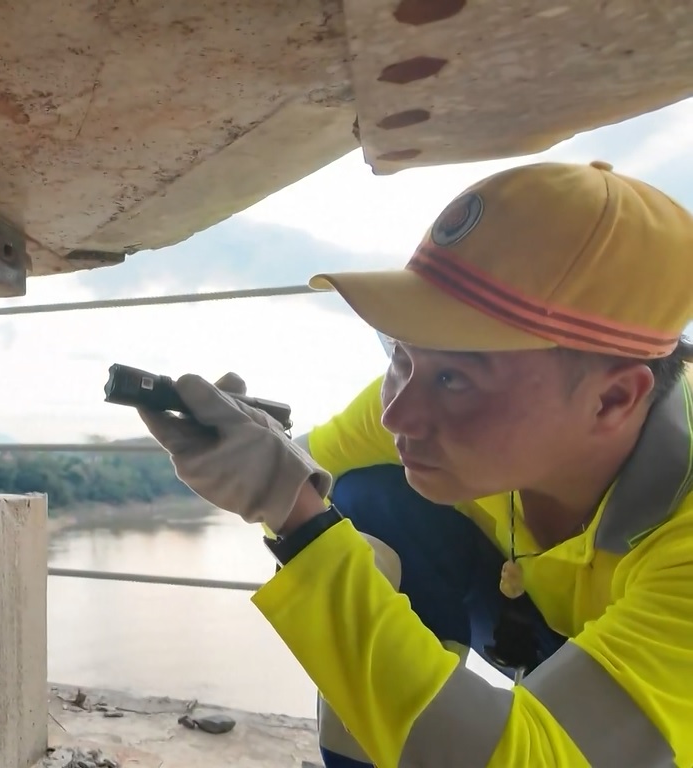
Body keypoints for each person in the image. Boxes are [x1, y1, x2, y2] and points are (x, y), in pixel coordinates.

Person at [139, 160, 693, 767]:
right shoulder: (415, 408)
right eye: (401, 357)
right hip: (529, 619)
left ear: (612, 399)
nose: (399, 415)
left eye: (454, 377)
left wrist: (298, 520)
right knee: (367, 500)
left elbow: (539, 760)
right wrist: (259, 458)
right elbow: (305, 470)